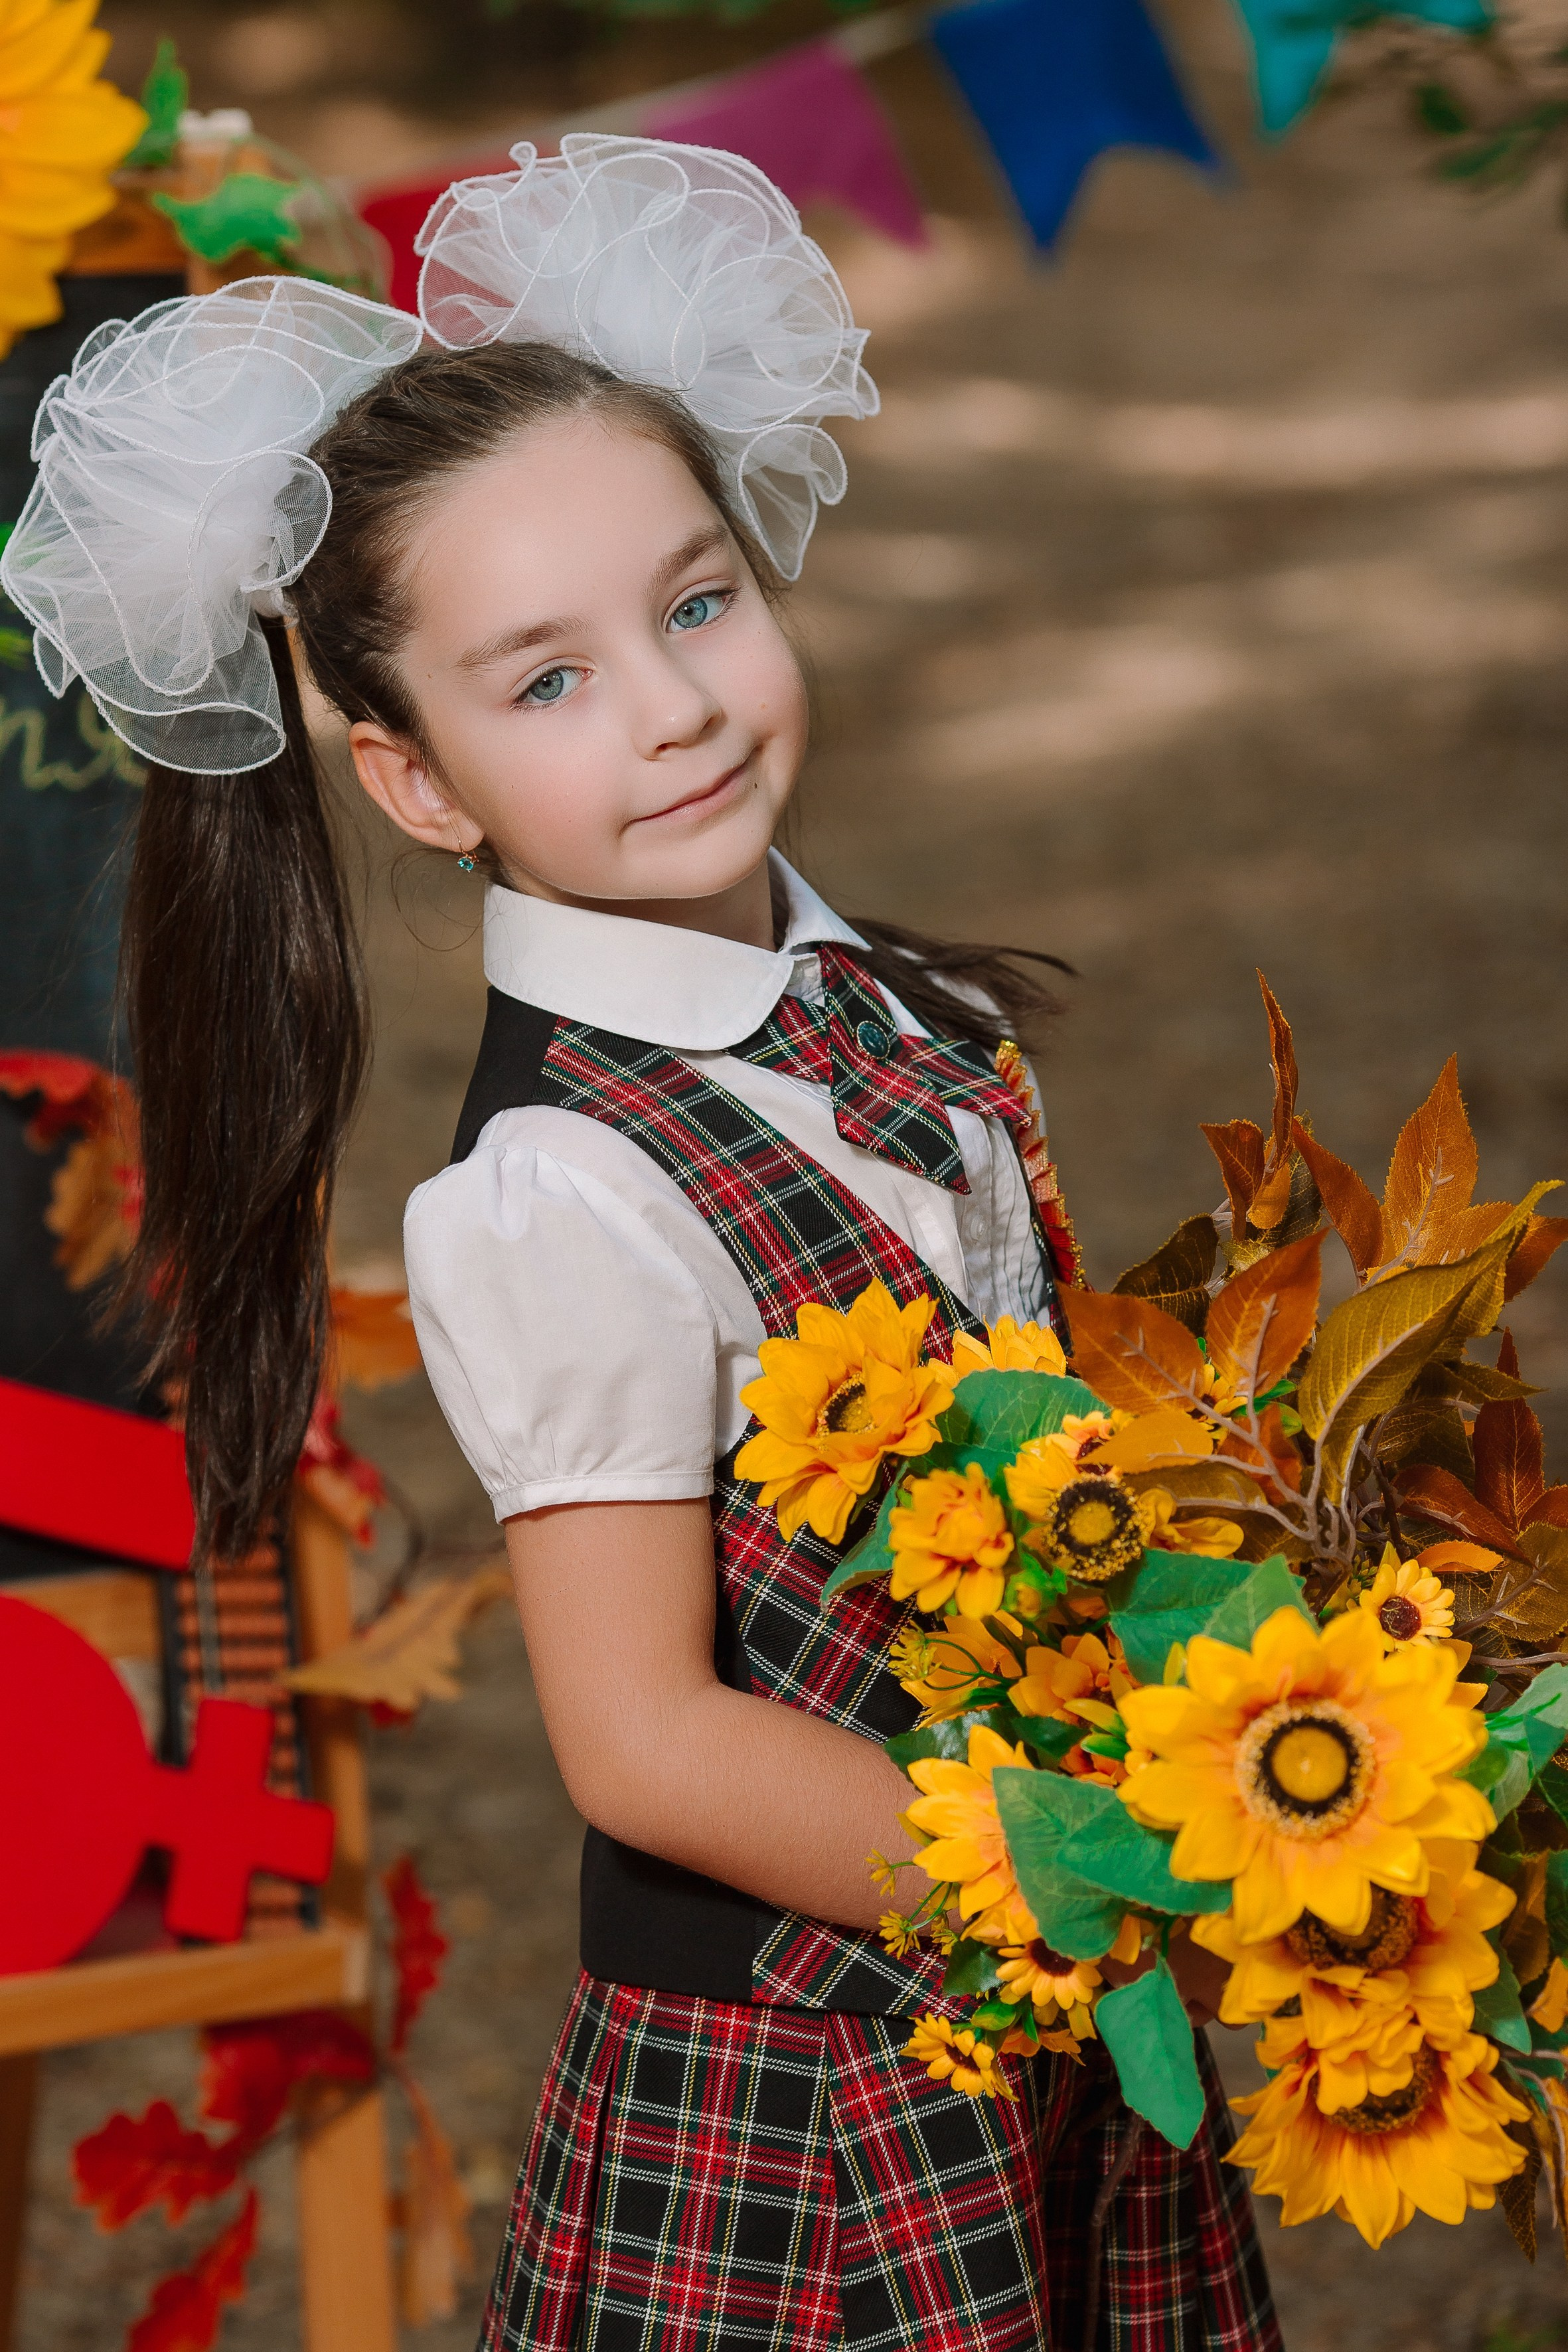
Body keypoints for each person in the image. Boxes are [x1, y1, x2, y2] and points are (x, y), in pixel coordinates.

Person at [2, 139, 1278, 2352]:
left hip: (1031, 1976)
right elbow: (647, 1743)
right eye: (547, 680)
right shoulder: (561, 1192)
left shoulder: (900, 1010)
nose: (675, 704)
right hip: (819, 2079)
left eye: (695, 605)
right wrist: (1120, 1871)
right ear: (414, 780)